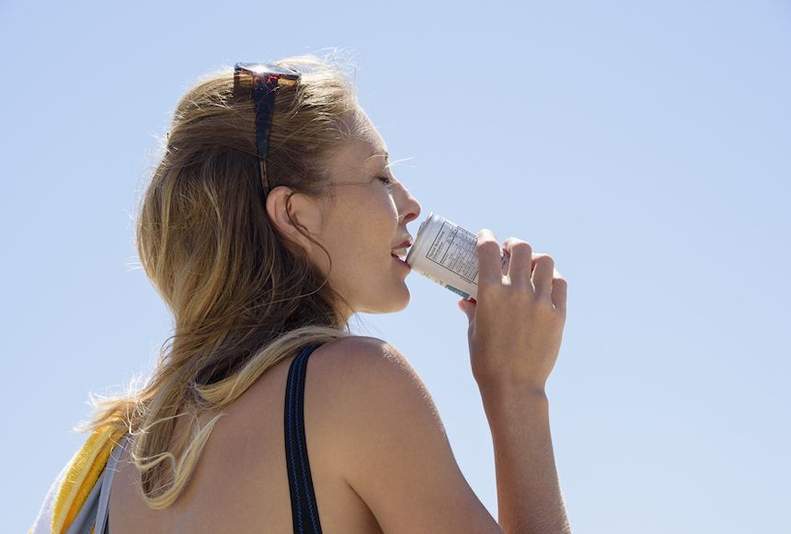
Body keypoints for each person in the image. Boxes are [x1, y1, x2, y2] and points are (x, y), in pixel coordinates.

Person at [31, 54, 570, 533]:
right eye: (381, 177)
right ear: (295, 215)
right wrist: (518, 390)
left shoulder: (112, 461)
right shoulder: (354, 384)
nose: (409, 204)